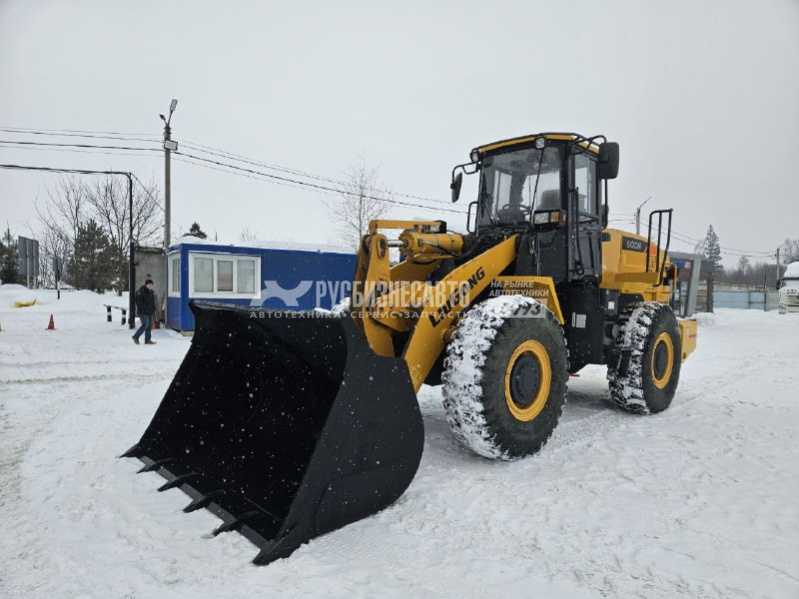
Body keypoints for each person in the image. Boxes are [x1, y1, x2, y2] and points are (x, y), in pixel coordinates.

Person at [133, 279, 157, 345]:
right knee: (145, 325)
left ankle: (148, 340)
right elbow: (138, 302)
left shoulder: (152, 292)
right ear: (146, 285)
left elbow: (152, 302)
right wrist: (145, 308)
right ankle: (136, 337)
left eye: (151, 285)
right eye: (149, 284)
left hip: (150, 312)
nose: (150, 286)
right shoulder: (141, 292)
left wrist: (154, 308)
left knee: (149, 326)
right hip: (143, 312)